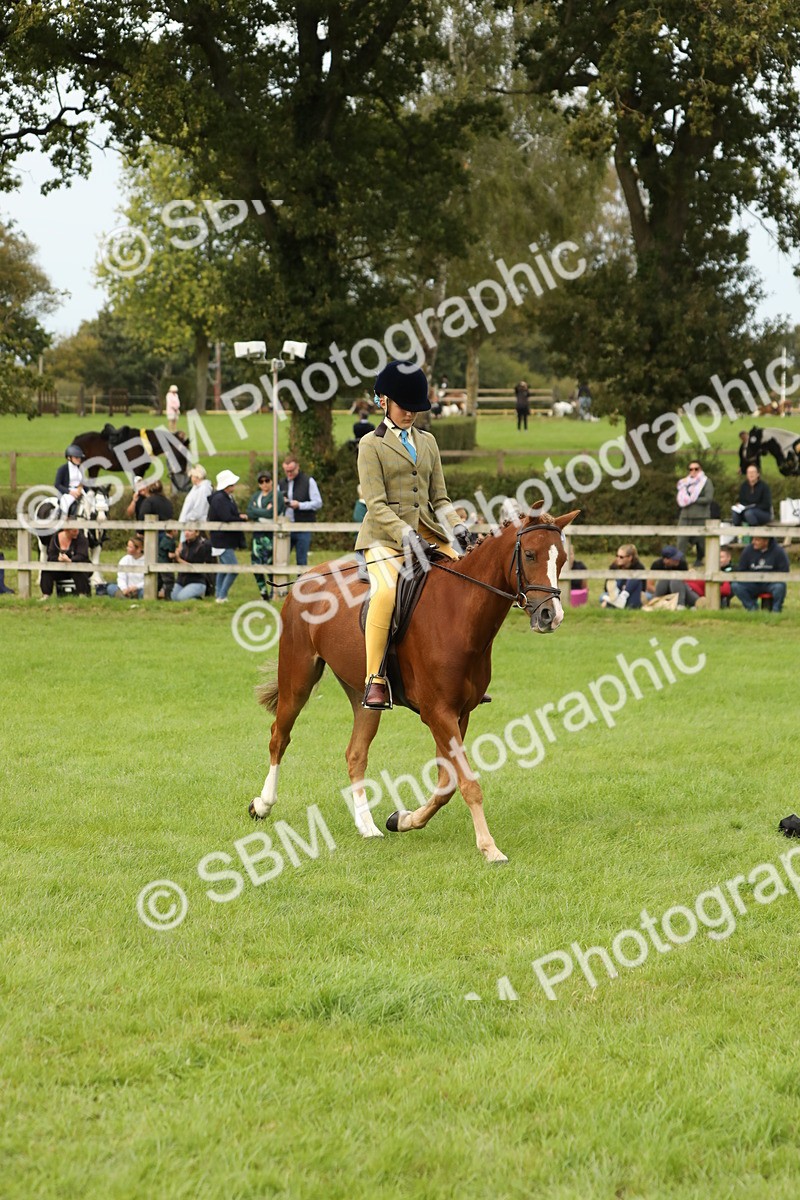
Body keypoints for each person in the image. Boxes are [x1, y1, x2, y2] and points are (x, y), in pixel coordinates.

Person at [356, 359, 466, 709]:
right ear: (384, 401)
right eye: (405, 408)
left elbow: (440, 499)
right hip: (384, 540)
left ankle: (464, 670)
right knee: (386, 593)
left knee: (470, 581)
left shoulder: (429, 442)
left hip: (429, 535)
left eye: (416, 409)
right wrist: (405, 534)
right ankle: (375, 677)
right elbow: (375, 504)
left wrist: (458, 526)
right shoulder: (370, 446)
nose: (411, 415)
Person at [208, 469, 247, 603]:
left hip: (222, 539)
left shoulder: (224, 498)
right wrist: (241, 519)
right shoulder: (220, 499)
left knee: (224, 569)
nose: (234, 486)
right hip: (222, 540)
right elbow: (226, 517)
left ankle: (219, 595)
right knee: (233, 568)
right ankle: (222, 595)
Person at [247, 471, 285, 600]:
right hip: (257, 535)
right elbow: (249, 512)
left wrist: (258, 511)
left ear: (271, 481)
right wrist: (264, 511)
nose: (264, 484)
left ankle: (273, 591)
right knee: (256, 565)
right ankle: (263, 592)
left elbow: (272, 513)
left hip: (270, 535)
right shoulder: (256, 496)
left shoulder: (277, 495)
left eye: (267, 481)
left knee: (270, 563)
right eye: (261, 482)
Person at [280, 456, 322, 567]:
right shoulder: (280, 483)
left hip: (303, 527)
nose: (289, 473)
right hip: (286, 526)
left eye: (291, 471)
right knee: (281, 560)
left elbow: (318, 502)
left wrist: (300, 505)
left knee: (301, 561)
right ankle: (280, 584)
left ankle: (301, 584)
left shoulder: (308, 481)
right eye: (286, 471)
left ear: (297, 467)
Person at [731, 536, 789, 612]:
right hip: (752, 583)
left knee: (780, 587)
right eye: (753, 539)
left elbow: (784, 571)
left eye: (757, 540)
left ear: (766, 541)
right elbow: (741, 570)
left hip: (771, 583)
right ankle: (752, 608)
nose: (753, 542)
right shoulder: (748, 550)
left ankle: (776, 610)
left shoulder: (779, 551)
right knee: (736, 586)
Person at [676, 460, 714, 565]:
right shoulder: (684, 483)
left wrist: (693, 499)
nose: (693, 471)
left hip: (700, 516)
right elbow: (682, 497)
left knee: (701, 541)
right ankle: (680, 561)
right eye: (691, 469)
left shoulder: (706, 482)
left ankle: (700, 559)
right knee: (681, 540)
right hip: (685, 515)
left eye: (696, 469)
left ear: (700, 469)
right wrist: (686, 499)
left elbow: (708, 498)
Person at [39, 526, 91, 599]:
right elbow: (51, 555)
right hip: (60, 568)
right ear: (66, 531)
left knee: (79, 570)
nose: (77, 533)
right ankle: (46, 595)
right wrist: (58, 559)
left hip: (76, 566)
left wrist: (71, 560)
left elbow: (83, 555)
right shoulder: (55, 538)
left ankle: (82, 594)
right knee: (47, 571)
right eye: (74, 532)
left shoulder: (82, 538)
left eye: (77, 531)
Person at [647, 544, 699, 609]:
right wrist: (666, 595)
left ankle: (680, 606)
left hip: (681, 592)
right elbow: (649, 586)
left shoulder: (682, 564)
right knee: (665, 580)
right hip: (664, 593)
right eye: (675, 558)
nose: (678, 559)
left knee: (675, 580)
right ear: (666, 560)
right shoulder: (657, 565)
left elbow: (685, 584)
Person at [172, 529, 214, 601]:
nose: (186, 533)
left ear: (197, 533)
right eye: (185, 531)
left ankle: (197, 599)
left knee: (180, 598)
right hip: (181, 581)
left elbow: (193, 566)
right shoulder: (183, 545)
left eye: (190, 531)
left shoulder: (202, 546)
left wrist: (179, 559)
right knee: (173, 598)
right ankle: (192, 597)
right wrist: (175, 555)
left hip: (196, 581)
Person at [600, 544, 645, 609]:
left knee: (647, 596)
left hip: (632, 593)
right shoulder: (614, 566)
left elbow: (643, 588)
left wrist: (626, 589)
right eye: (617, 556)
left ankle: (617, 601)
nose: (618, 559)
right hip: (616, 593)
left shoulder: (639, 567)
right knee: (602, 596)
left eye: (621, 557)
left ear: (630, 558)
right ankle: (618, 602)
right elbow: (607, 587)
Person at [177, 465, 213, 539]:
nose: (191, 479)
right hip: (188, 524)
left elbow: (200, 507)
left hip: (195, 524)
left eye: (192, 476)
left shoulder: (204, 489)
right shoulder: (195, 488)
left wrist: (190, 518)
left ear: (197, 477)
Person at [54, 444, 87, 516]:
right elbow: (57, 484)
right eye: (76, 457)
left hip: (80, 491)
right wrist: (70, 492)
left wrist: (86, 489)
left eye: (80, 457)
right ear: (69, 458)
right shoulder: (63, 469)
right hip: (68, 493)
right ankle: (62, 521)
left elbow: (83, 482)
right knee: (65, 504)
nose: (79, 459)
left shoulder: (81, 468)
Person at [157, 526, 179, 599]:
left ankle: (155, 594)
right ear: (173, 531)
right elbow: (170, 555)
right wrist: (177, 553)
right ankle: (168, 597)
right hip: (166, 563)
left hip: (159, 561)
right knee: (169, 581)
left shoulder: (163, 539)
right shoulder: (171, 541)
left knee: (159, 580)